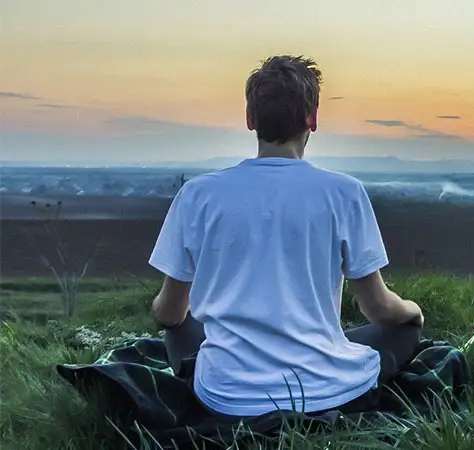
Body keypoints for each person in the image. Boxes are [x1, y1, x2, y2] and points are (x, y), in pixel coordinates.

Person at [147, 55, 424, 419]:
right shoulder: (344, 193)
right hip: (325, 391)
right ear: (313, 118)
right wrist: (413, 312)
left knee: (180, 328)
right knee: (403, 332)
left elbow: (168, 312)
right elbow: (377, 309)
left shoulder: (198, 195)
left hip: (226, 396)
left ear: (250, 119)